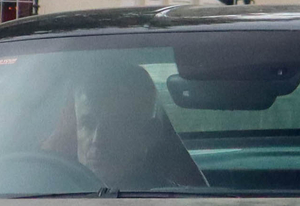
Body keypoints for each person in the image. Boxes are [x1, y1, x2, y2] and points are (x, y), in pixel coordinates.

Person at [59, 62, 203, 189]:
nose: (98, 140)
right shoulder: (51, 189)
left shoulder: (172, 205)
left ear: (148, 134)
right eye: (87, 124)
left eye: (115, 125)